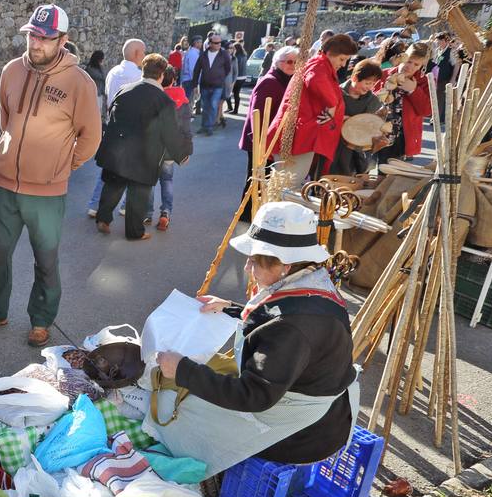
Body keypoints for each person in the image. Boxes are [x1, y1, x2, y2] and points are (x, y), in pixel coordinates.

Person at [150, 201, 358, 475]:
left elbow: (254, 395)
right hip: (325, 415)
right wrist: (231, 308)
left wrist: (182, 370)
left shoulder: (292, 327)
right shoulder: (312, 281)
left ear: (284, 265)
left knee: (173, 410)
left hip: (303, 435)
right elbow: (277, 320)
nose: (248, 268)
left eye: (255, 260)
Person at [0, 4, 101, 348]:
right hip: (5, 185)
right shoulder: (11, 70)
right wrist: (10, 153)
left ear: (63, 40)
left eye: (45, 38)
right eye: (33, 35)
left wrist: (63, 166)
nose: (36, 43)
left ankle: (41, 319)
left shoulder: (80, 83)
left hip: (47, 191)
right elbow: (6, 118)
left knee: (45, 258)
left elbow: (90, 137)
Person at [94, 53, 187, 240]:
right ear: (161, 75)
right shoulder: (164, 101)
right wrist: (181, 155)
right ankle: (135, 232)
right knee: (139, 194)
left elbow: (111, 118)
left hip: (117, 149)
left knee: (113, 186)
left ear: (143, 70)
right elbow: (170, 133)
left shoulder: (124, 90)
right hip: (145, 154)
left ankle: (103, 219)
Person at [267, 34, 359, 183]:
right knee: (289, 185)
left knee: (290, 183)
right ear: (330, 53)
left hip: (303, 135)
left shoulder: (320, 64)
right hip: (299, 136)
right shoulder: (318, 65)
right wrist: (332, 104)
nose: (343, 64)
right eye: (342, 59)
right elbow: (315, 79)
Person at [87, 38, 145, 217]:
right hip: (132, 128)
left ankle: (95, 205)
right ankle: (126, 206)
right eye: (143, 52)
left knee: (108, 168)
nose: (144, 56)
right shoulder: (138, 76)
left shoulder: (112, 72)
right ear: (136, 54)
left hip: (113, 125)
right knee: (133, 169)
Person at [240, 46, 298, 219]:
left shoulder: (288, 81)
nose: (292, 65)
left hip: (272, 140)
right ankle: (247, 213)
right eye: (288, 61)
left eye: (295, 62)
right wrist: (260, 141)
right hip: (260, 140)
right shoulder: (270, 81)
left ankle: (256, 211)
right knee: (256, 178)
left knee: (264, 177)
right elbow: (256, 114)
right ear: (277, 63)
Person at [373, 41, 432, 164]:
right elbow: (370, 98)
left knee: (390, 174)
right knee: (366, 168)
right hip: (376, 130)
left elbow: (426, 111)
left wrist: (413, 90)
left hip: (400, 136)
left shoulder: (423, 82)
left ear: (421, 66)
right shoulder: (384, 74)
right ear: (403, 56)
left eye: (416, 64)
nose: (410, 66)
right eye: (409, 61)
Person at [328, 59, 386, 175]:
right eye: (367, 83)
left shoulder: (373, 101)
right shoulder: (335, 92)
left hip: (355, 151)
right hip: (331, 145)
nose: (369, 87)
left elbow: (375, 127)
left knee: (349, 182)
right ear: (354, 78)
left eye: (373, 84)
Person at [155, 64, 194, 231]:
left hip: (153, 148)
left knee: (149, 182)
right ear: (174, 80)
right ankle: (165, 212)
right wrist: (187, 150)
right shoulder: (183, 101)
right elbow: (186, 129)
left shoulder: (155, 97)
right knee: (167, 180)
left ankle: (147, 214)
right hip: (172, 150)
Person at [193, 32, 232, 136]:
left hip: (217, 86)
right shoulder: (203, 55)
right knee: (205, 106)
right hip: (204, 85)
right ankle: (204, 126)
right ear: (210, 43)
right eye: (216, 43)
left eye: (220, 42)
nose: (219, 44)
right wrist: (194, 85)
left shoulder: (224, 54)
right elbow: (197, 70)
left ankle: (209, 127)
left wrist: (220, 76)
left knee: (213, 105)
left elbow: (228, 69)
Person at [226, 41, 248, 115]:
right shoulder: (244, 55)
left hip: (237, 77)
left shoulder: (236, 57)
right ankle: (234, 109)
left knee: (230, 93)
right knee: (236, 93)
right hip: (243, 76)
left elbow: (234, 69)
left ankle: (232, 108)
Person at [85, 50, 108, 118]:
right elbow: (102, 77)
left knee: (98, 113)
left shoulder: (99, 68)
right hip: (93, 94)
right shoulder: (90, 69)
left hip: (99, 94)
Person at [180, 38, 201, 109]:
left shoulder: (191, 52)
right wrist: (195, 83)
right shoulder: (193, 54)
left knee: (187, 101)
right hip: (190, 80)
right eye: (200, 42)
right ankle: (186, 117)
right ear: (196, 43)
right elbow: (193, 69)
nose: (201, 44)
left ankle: (186, 116)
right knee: (188, 102)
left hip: (187, 80)